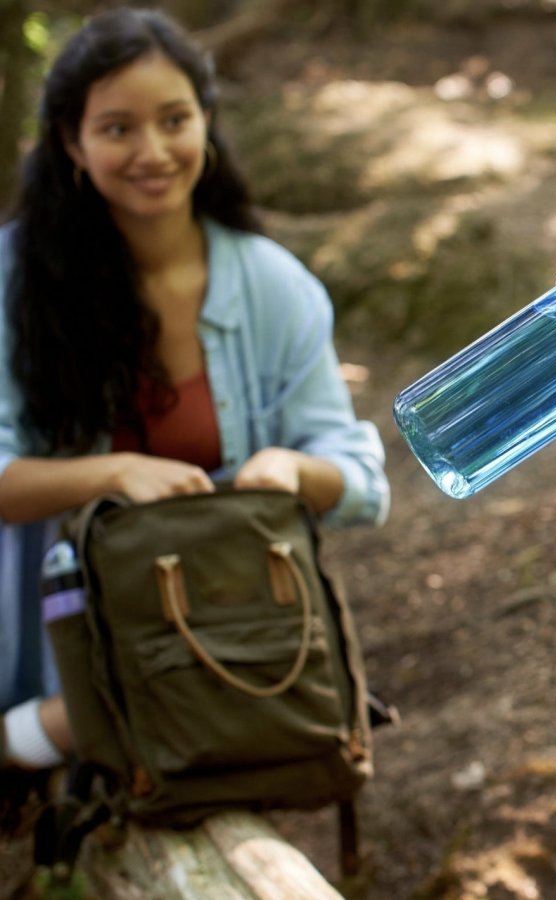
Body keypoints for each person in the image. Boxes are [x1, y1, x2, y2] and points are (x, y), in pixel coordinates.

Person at [0, 8, 389, 779]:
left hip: (224, 633)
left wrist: (291, 468)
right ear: (72, 144)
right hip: (55, 628)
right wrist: (116, 473)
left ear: (206, 124)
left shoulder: (274, 285)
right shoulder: (15, 281)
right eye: (117, 129)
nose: (152, 151)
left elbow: (360, 479)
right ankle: (48, 731)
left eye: (174, 120)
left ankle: (55, 733)